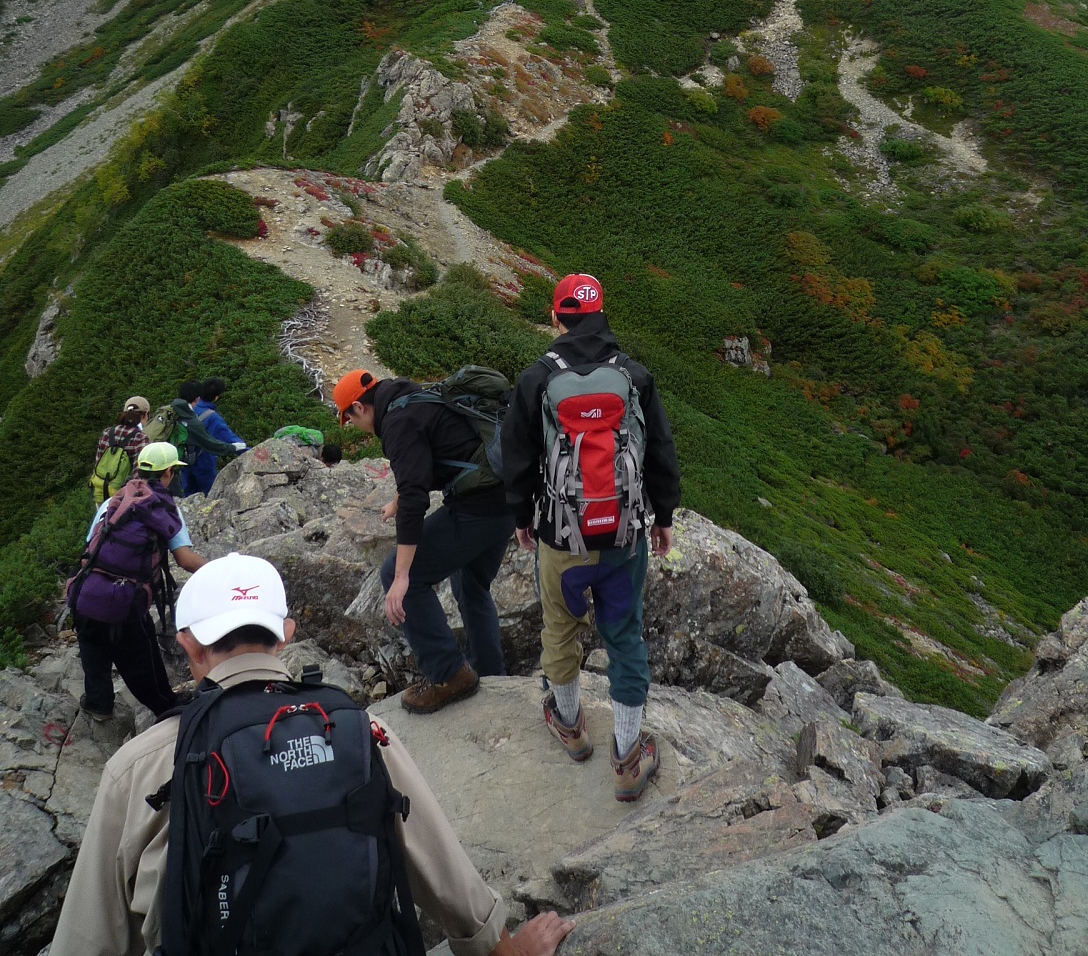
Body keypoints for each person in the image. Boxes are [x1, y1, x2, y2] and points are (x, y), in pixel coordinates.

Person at [49, 553, 573, 956]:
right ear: (286, 636)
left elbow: (88, 938)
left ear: (187, 643)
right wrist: (504, 949)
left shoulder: (139, 767)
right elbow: (441, 865)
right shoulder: (357, 728)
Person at [502, 273, 680, 801]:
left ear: (556, 317)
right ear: (602, 313)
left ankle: (571, 726)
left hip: (561, 538)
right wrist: (663, 516)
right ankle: (627, 758)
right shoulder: (633, 375)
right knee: (624, 636)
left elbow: (518, 456)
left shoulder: (537, 379)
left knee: (559, 630)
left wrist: (521, 516)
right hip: (624, 539)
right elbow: (660, 450)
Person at [335, 367, 516, 714]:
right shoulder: (411, 395)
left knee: (397, 574)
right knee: (471, 583)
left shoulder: (397, 422)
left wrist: (403, 575)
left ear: (358, 407)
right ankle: (490, 673)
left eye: (350, 419)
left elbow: (415, 497)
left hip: (479, 507)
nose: (354, 426)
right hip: (507, 501)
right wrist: (397, 500)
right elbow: (433, 456)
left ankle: (448, 675)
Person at [69, 441, 206, 720]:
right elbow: (185, 559)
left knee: (94, 649)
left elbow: (89, 545)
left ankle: (98, 703)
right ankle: (166, 708)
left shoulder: (115, 500)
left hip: (86, 592)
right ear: (168, 472)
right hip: (125, 602)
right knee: (139, 659)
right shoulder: (164, 509)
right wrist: (223, 568)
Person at [187, 375, 247, 494]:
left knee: (188, 497)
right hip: (204, 462)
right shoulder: (212, 417)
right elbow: (229, 439)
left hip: (185, 460)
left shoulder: (189, 409)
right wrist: (252, 452)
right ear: (216, 397)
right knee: (209, 496)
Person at [89, 394, 151, 505]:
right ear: (145, 414)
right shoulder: (141, 437)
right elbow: (138, 475)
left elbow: (98, 463)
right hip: (124, 498)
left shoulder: (107, 432)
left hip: (101, 492)